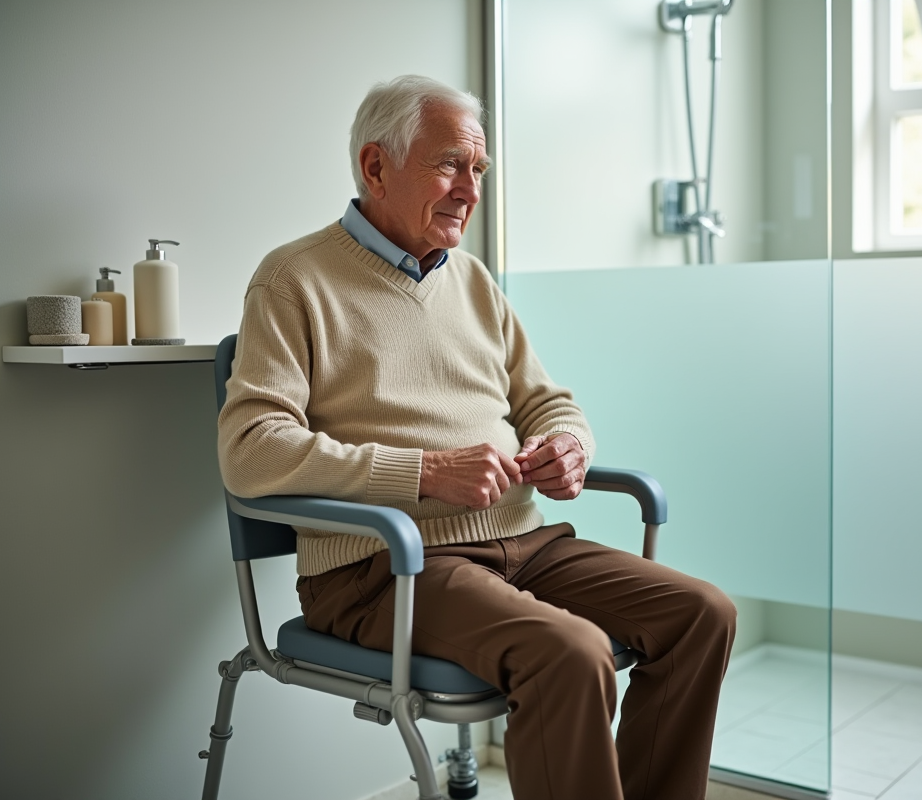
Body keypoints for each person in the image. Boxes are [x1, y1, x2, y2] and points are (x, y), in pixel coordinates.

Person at [217, 74, 735, 800]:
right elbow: (251, 450)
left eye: (479, 169)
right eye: (451, 164)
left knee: (702, 615)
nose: (470, 188)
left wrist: (567, 444)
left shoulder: (475, 282)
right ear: (375, 166)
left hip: (524, 544)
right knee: (572, 653)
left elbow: (547, 400)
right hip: (384, 569)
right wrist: (424, 471)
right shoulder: (293, 280)